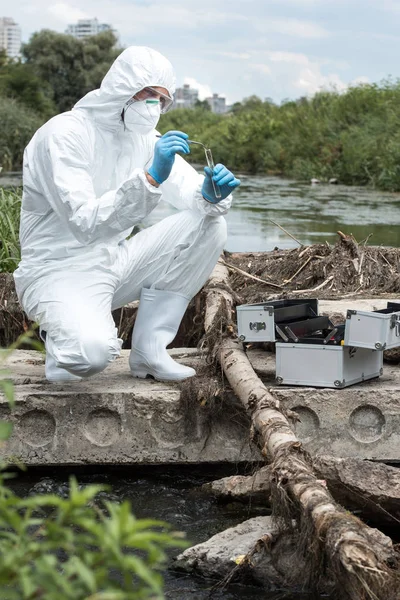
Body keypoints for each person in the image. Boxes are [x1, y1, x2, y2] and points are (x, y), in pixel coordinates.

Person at [13, 46, 240, 383]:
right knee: (92, 354)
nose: (155, 107)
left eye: (162, 100)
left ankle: (150, 351)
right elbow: (86, 223)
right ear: (122, 87)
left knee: (209, 224)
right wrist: (149, 179)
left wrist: (210, 194)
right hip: (56, 272)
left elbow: (192, 194)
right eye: (149, 94)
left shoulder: (144, 139)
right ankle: (59, 338)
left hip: (112, 263)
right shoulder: (63, 135)